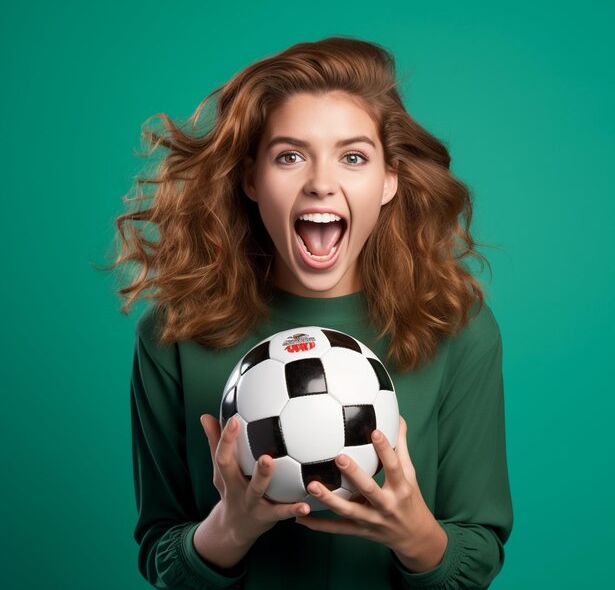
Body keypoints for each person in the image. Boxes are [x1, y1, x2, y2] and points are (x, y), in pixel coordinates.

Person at [110, 36, 513, 589]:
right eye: (290, 156)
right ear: (252, 178)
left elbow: (477, 554)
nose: (322, 183)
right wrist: (231, 527)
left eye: (353, 157)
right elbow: (162, 553)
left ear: (389, 179)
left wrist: (413, 533)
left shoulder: (458, 329)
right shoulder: (173, 336)